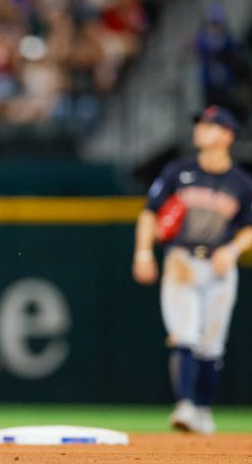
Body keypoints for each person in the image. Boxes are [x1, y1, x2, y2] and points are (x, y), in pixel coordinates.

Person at [132, 105, 252, 434]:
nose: (200, 129)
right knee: (184, 334)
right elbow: (149, 214)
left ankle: (202, 410)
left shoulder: (241, 182)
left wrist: (233, 249)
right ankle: (185, 405)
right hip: (181, 261)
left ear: (227, 136)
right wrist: (143, 253)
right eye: (200, 124)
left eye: (209, 125)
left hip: (219, 267)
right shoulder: (178, 171)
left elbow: (249, 227)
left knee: (212, 346)